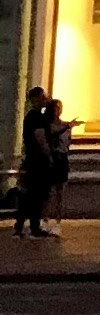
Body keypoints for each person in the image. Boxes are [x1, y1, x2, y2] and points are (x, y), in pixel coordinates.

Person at [13, 88, 52, 239]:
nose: (45, 99)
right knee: (35, 195)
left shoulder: (31, 116)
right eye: (42, 97)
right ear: (36, 99)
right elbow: (40, 137)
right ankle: (33, 227)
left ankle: (20, 226)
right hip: (37, 161)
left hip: (31, 160)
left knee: (29, 195)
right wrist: (49, 155)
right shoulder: (36, 117)